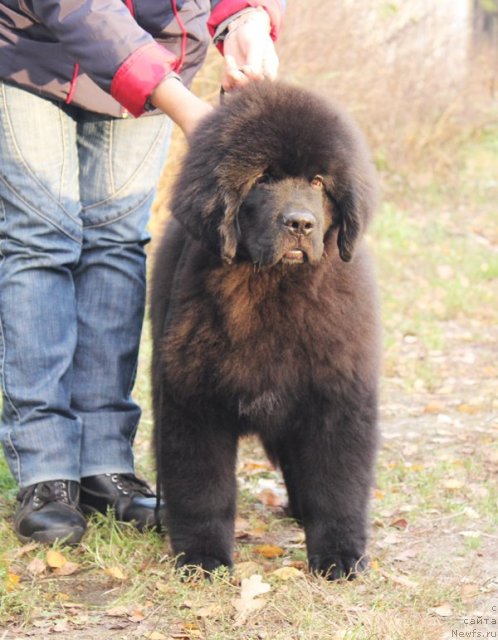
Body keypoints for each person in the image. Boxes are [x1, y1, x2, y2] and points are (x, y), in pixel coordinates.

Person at [0, 0, 284, 545]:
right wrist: (180, 103)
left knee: (116, 243)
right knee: (41, 241)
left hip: (155, 51)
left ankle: (105, 461)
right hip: (29, 46)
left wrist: (248, 20)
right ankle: (44, 469)